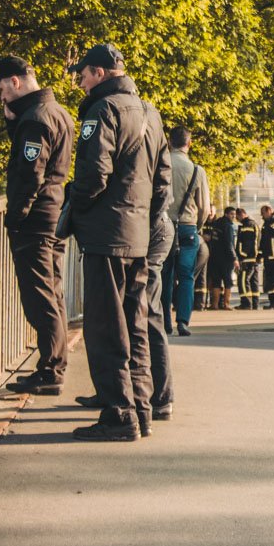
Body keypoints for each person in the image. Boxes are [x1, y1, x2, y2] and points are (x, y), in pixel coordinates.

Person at [68, 43, 166, 442]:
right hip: (138, 236)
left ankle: (118, 414)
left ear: (101, 73)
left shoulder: (103, 110)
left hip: (106, 236)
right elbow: (162, 185)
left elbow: (93, 175)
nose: (80, 81)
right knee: (135, 325)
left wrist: (77, 210)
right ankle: (141, 410)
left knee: (106, 328)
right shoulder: (151, 113)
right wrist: (144, 220)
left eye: (84, 74)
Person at [0, 55, 74, 397]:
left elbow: (30, 170)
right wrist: (14, 123)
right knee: (52, 293)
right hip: (54, 216)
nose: (1, 97)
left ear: (15, 82)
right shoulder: (57, 112)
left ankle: (51, 370)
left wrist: (17, 215)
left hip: (36, 221)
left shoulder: (36, 120)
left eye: (1, 89)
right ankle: (54, 365)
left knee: (40, 297)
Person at [161, 127, 209, 336]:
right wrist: (197, 226)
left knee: (164, 274)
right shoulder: (197, 170)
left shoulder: (160, 165)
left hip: (163, 225)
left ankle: (164, 321)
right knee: (187, 275)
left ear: (169, 142)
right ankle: (182, 321)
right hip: (188, 227)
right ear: (189, 144)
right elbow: (205, 207)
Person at [208, 206, 238, 310]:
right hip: (226, 259)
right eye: (231, 214)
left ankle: (215, 305)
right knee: (227, 281)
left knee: (216, 281)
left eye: (234, 214)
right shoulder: (228, 226)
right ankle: (226, 304)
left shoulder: (216, 223)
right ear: (226, 214)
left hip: (214, 257)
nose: (233, 216)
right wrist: (234, 258)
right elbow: (229, 244)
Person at [234, 207, 261, 310]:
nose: (237, 219)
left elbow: (248, 243)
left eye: (237, 217)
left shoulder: (247, 226)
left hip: (247, 259)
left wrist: (242, 255)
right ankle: (255, 303)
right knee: (253, 281)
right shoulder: (254, 224)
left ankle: (246, 303)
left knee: (243, 280)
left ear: (241, 215)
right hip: (253, 259)